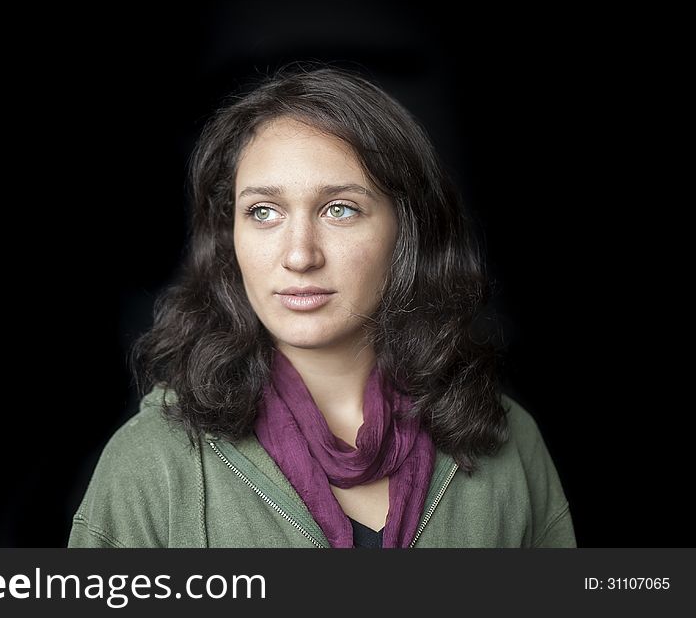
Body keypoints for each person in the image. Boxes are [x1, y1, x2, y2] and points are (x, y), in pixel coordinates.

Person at [68, 64, 576, 548]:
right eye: (263, 212)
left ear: (407, 230)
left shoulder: (510, 441)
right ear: (231, 237)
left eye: (340, 209)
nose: (299, 255)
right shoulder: (149, 460)